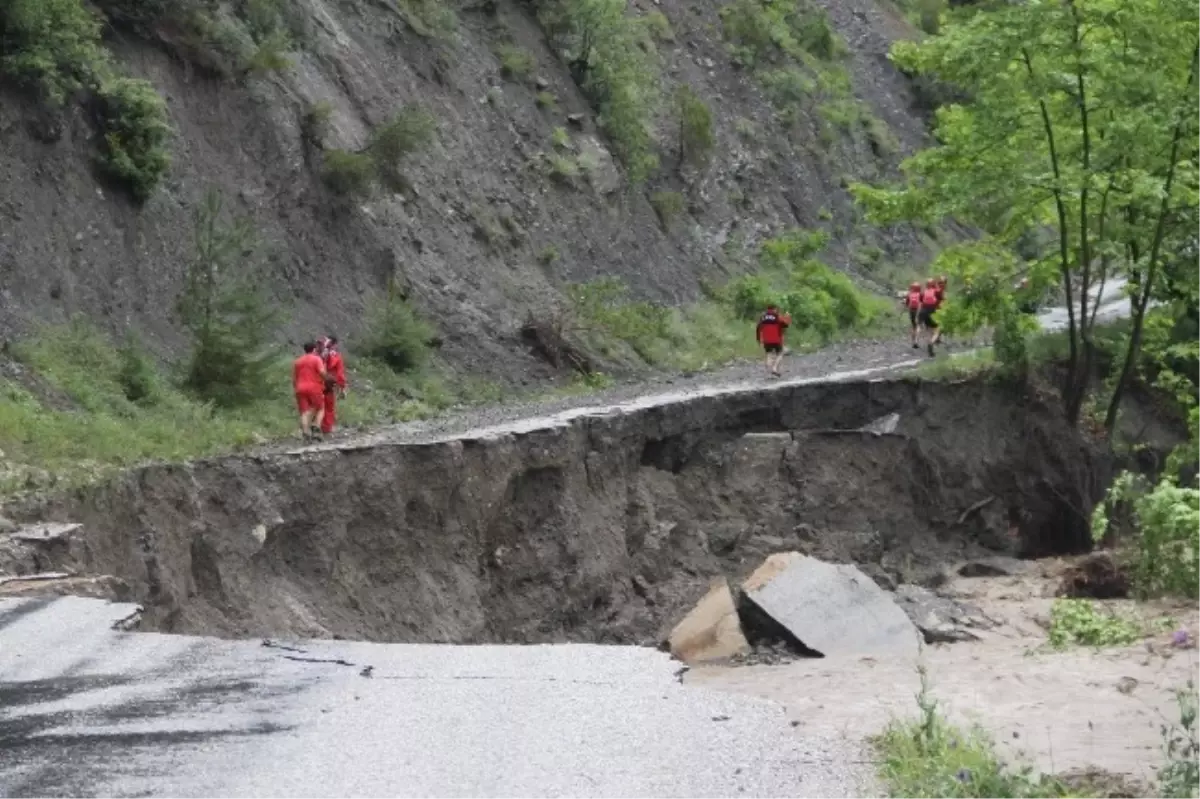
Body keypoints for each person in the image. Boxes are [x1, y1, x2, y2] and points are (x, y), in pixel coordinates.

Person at [293, 341, 328, 440]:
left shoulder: (297, 361)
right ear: (314, 349)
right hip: (314, 387)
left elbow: (294, 379)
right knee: (320, 408)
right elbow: (321, 372)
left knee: (304, 411)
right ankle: (316, 426)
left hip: (300, 388)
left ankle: (305, 432)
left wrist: (295, 390)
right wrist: (327, 379)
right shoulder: (316, 359)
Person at [319, 335, 347, 436]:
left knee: (317, 406)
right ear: (335, 344)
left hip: (316, 383)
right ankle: (326, 428)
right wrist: (342, 387)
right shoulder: (337, 357)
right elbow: (340, 374)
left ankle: (315, 426)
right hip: (329, 384)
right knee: (329, 407)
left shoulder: (317, 354)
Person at [756, 304, 790, 377]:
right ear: (774, 309)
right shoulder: (777, 315)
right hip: (776, 339)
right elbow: (785, 325)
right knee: (780, 353)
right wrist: (787, 317)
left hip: (766, 340)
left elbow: (758, 328)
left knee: (769, 354)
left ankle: (769, 372)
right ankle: (774, 368)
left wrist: (758, 339)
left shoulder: (762, 317)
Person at [918, 278, 943, 357]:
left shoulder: (923, 292)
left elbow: (921, 301)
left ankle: (929, 343)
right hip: (933, 311)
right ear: (933, 284)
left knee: (928, 329)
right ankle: (932, 343)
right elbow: (940, 301)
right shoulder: (936, 291)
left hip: (924, 311)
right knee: (937, 329)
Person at [904, 281, 923, 349]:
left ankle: (913, 342)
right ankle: (916, 341)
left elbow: (906, 304)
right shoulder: (920, 294)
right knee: (918, 326)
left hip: (911, 310)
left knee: (913, 326)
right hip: (918, 310)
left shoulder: (909, 294)